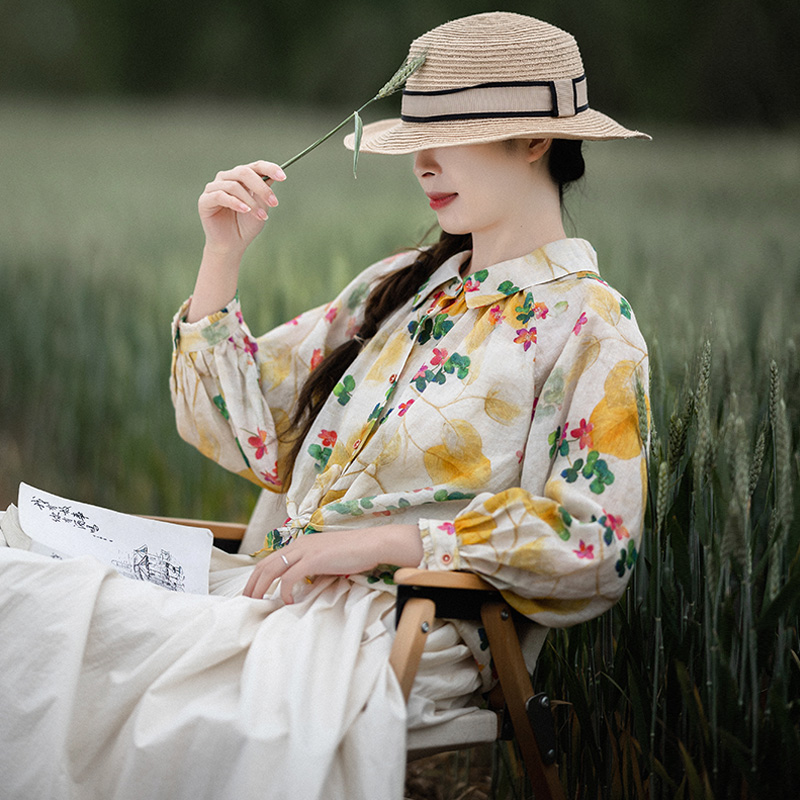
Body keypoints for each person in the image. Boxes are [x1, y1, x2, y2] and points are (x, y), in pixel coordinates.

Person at [0, 12, 650, 800]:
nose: (424, 161)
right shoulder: (403, 287)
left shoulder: (590, 324)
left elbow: (596, 541)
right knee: (21, 581)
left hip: (390, 634)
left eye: (452, 133)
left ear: (535, 139)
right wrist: (223, 254)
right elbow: (245, 431)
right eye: (416, 136)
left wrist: (386, 541)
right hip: (274, 598)